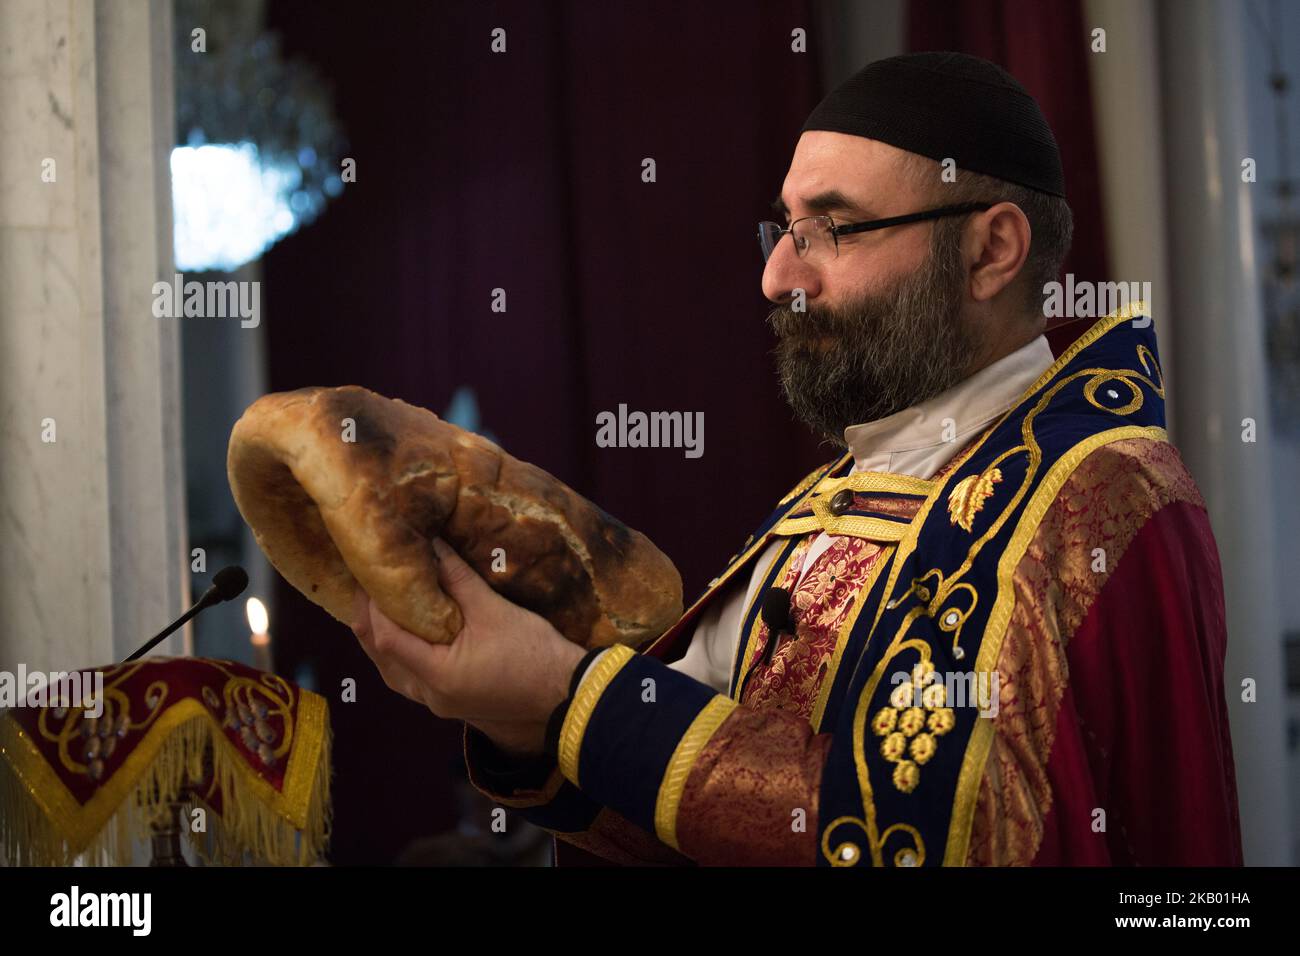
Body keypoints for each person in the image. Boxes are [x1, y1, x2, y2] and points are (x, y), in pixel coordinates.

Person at [350, 52, 1243, 866]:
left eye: (833, 229)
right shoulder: (826, 500)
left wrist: (567, 688)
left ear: (991, 249)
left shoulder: (1102, 494)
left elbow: (932, 838)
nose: (778, 276)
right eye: (783, 227)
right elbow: (678, 815)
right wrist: (523, 711)